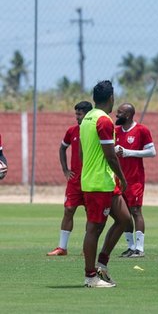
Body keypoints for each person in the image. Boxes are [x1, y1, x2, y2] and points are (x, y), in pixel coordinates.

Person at [80, 80, 127, 288]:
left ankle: (102, 265)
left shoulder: (87, 117)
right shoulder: (103, 121)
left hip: (105, 180)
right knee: (94, 229)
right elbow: (110, 156)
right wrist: (123, 178)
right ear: (111, 98)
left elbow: (83, 153)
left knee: (126, 220)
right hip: (99, 183)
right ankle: (90, 277)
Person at [47, 101, 93, 256]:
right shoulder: (72, 131)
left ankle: (87, 248)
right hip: (74, 180)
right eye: (76, 114)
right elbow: (62, 148)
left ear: (87, 114)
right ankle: (62, 247)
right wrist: (65, 170)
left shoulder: (94, 130)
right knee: (68, 210)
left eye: (79, 114)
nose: (76, 117)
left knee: (90, 213)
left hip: (90, 179)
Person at [114, 103, 156, 258]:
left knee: (136, 211)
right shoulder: (115, 131)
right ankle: (130, 247)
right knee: (123, 214)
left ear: (129, 115)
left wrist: (127, 152)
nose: (116, 115)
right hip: (119, 179)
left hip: (135, 179)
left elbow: (152, 152)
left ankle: (140, 248)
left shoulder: (141, 130)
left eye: (120, 113)